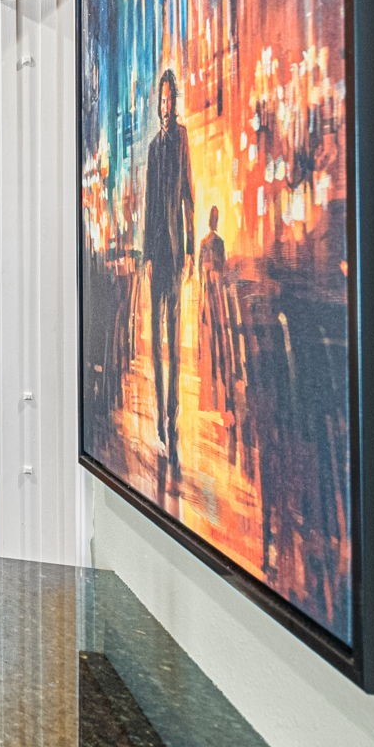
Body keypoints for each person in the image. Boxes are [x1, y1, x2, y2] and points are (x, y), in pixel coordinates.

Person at [141, 69, 194, 464]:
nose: (166, 105)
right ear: (157, 104)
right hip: (156, 254)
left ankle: (172, 418)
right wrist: (144, 255)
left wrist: (190, 248)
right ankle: (159, 418)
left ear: (175, 101)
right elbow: (147, 208)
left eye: (170, 98)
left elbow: (189, 195)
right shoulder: (152, 149)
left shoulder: (181, 140)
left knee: (173, 342)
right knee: (156, 342)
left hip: (175, 253)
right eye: (161, 100)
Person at [197, 205, 244, 464]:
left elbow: (209, 268)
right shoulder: (213, 243)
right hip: (212, 294)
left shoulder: (209, 242)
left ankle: (217, 387)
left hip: (211, 294)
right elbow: (218, 268)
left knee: (215, 338)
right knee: (216, 339)